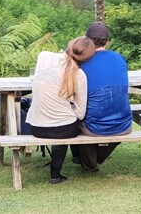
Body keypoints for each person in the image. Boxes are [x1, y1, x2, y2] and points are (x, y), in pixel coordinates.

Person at [25, 37, 96, 184]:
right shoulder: (80, 75)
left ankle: (61, 169)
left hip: (36, 126)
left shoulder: (43, 56)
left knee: (64, 123)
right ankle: (57, 172)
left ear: (70, 44)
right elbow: (80, 113)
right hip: (62, 129)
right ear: (87, 58)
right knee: (72, 124)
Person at [74, 22, 132, 172]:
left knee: (73, 118)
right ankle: (95, 159)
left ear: (86, 40)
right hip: (124, 124)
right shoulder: (120, 59)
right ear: (108, 41)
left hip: (94, 127)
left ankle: (89, 163)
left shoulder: (82, 62)